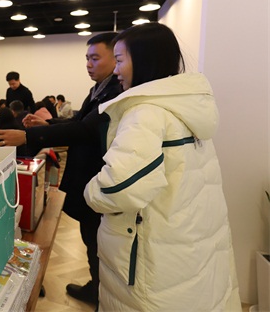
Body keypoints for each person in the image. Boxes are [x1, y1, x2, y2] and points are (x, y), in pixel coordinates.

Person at [84, 23, 240, 311]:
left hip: (153, 254)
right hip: (188, 244)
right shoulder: (186, 107)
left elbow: (119, 187)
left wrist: (91, 191)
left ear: (144, 60)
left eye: (119, 60)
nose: (116, 71)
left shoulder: (146, 113)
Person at [0, 32, 121, 307]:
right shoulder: (99, 88)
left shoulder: (115, 92)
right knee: (91, 238)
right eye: (87, 58)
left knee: (98, 241)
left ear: (115, 57)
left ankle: (102, 294)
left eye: (95, 58)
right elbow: (81, 122)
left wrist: (28, 135)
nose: (89, 64)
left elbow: (85, 130)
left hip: (97, 176)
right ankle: (96, 288)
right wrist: (48, 125)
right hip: (88, 177)